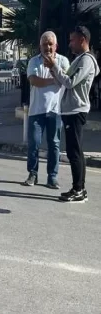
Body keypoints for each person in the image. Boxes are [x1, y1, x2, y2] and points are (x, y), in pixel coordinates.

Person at [44, 25, 100, 203]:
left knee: (74, 152)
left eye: (72, 40)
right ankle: (79, 188)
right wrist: (53, 68)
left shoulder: (86, 60)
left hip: (76, 110)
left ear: (82, 40)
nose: (70, 44)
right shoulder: (79, 59)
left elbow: (69, 82)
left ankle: (79, 189)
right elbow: (63, 80)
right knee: (75, 151)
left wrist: (54, 66)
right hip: (70, 110)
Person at [23, 31, 70, 189]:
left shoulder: (63, 61)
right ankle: (33, 174)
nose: (48, 47)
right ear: (40, 46)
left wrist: (57, 77)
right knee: (34, 144)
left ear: (56, 46)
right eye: (45, 44)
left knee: (54, 145)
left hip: (56, 111)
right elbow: (34, 81)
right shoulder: (33, 62)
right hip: (36, 111)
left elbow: (67, 81)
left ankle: (52, 177)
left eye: (50, 44)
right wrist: (54, 80)